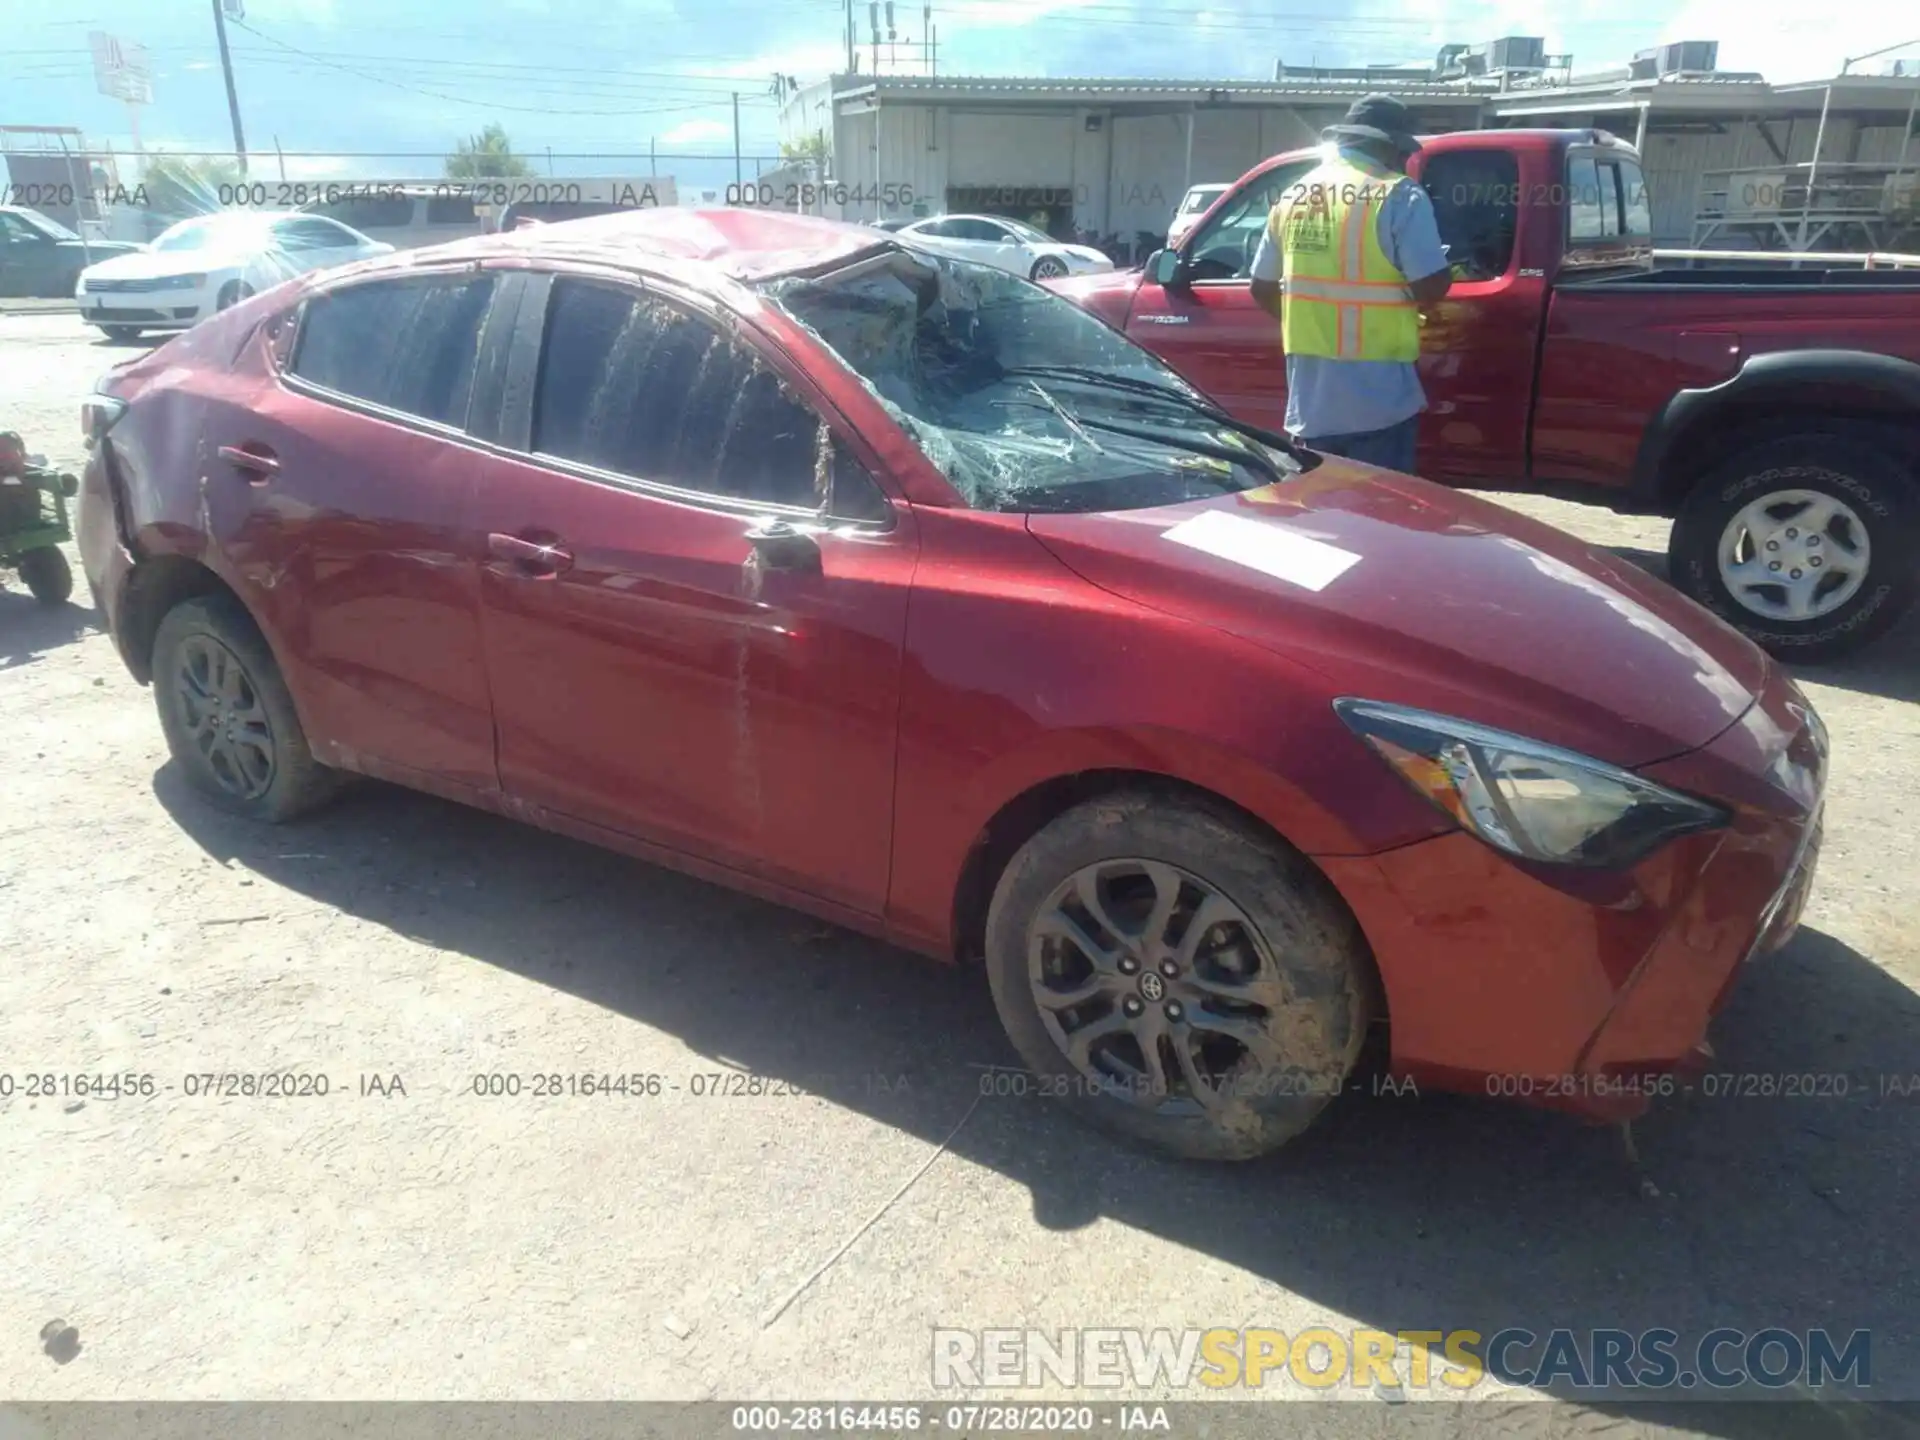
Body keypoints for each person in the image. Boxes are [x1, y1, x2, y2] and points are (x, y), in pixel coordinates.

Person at [1248, 93, 1453, 474]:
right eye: (1403, 151)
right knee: (1375, 521)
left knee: (1322, 520)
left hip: (1312, 405)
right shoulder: (1397, 193)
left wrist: (1311, 318)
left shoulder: (1294, 194)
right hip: (1380, 401)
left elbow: (1261, 288)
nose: (1404, 160)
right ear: (1387, 145)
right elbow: (1430, 285)